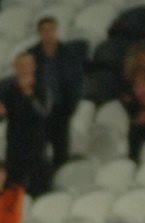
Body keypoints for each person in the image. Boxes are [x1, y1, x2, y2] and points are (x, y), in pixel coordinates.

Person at [29, 16, 84, 170]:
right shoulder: (31, 55)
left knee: (61, 151)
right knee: (38, 152)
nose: (48, 34)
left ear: (56, 31)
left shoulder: (68, 54)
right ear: (39, 33)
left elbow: (76, 81)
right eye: (44, 30)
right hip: (39, 111)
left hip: (61, 109)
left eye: (51, 30)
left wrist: (71, 106)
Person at [0, 52, 51, 196]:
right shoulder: (7, 88)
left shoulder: (41, 86)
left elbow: (43, 113)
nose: (24, 69)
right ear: (15, 68)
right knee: (14, 186)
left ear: (34, 66)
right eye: (21, 65)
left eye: (28, 65)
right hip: (15, 144)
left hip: (36, 145)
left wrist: (28, 95)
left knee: (38, 186)